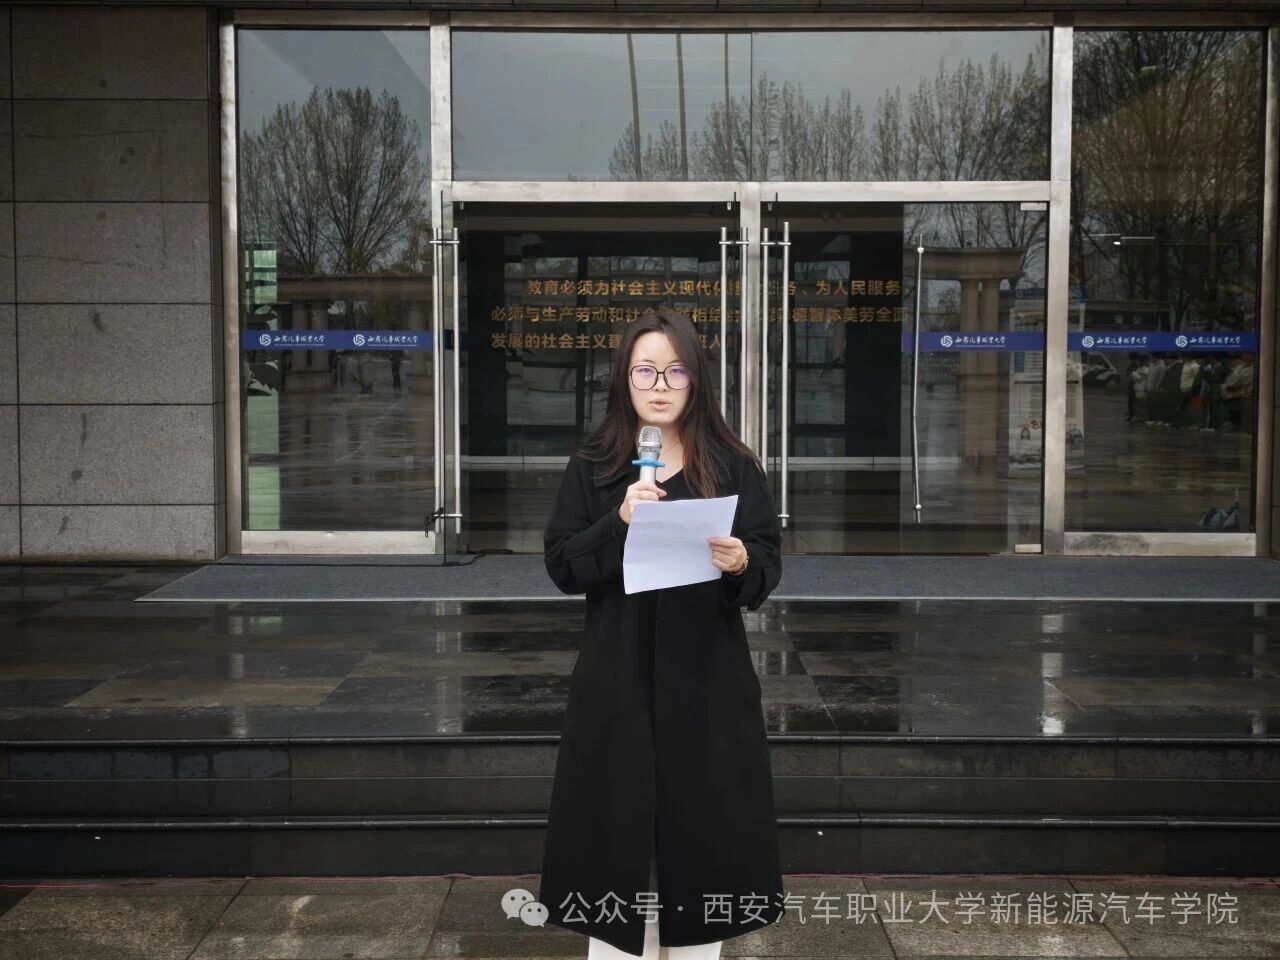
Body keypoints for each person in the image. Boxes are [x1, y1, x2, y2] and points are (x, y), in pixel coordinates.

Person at [538, 307, 786, 959]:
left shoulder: (732, 466)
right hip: (617, 683)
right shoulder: (595, 467)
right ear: (624, 378)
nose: (659, 384)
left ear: (695, 379)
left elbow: (767, 561)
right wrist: (618, 519)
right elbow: (563, 565)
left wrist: (742, 562)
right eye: (645, 370)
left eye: (675, 370)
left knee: (703, 860)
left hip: (706, 687)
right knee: (615, 866)